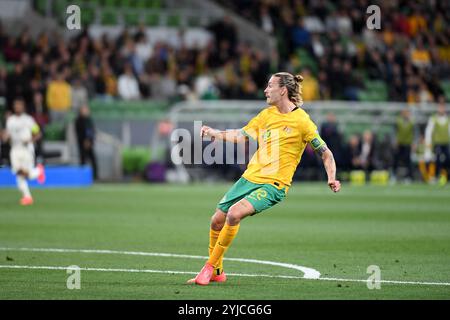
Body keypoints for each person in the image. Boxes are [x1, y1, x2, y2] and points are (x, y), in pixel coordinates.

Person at [188, 72, 341, 286]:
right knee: (216, 220)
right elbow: (241, 135)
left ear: (283, 90)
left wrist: (331, 177)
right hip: (249, 178)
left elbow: (325, 153)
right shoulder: (266, 115)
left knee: (234, 214)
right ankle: (218, 272)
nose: (266, 90)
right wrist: (215, 133)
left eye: (270, 86)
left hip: (274, 184)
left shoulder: (302, 121)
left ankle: (208, 267)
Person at [3, 98, 45, 205]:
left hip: (26, 149)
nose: (17, 107)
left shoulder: (28, 120)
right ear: (14, 107)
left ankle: (28, 195)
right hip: (15, 149)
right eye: (16, 105)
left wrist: (30, 140)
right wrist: (5, 137)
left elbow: (38, 133)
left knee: (22, 174)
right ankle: (38, 173)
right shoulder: (10, 120)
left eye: (19, 105)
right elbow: (6, 136)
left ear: (23, 107)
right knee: (19, 172)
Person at [425, 98, 450, 184]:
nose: (441, 109)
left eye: (442, 107)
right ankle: (436, 176)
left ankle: (447, 176)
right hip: (437, 142)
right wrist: (428, 142)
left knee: (448, 159)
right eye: (440, 107)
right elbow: (428, 131)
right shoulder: (433, 119)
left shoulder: (448, 119)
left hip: (446, 142)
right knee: (438, 160)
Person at [75, 105, 98, 180]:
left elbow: (92, 131)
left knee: (93, 160)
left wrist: (90, 140)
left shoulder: (89, 120)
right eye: (84, 110)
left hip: (90, 143)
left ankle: (95, 176)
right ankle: (82, 177)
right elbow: (79, 132)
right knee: (83, 160)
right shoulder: (78, 120)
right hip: (82, 144)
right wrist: (84, 141)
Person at [393, 108, 415, 181]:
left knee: (408, 160)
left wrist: (414, 142)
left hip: (408, 143)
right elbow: (395, 131)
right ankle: (394, 175)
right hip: (400, 143)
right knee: (396, 159)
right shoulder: (398, 121)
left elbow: (415, 133)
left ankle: (409, 177)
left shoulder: (412, 122)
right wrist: (395, 140)